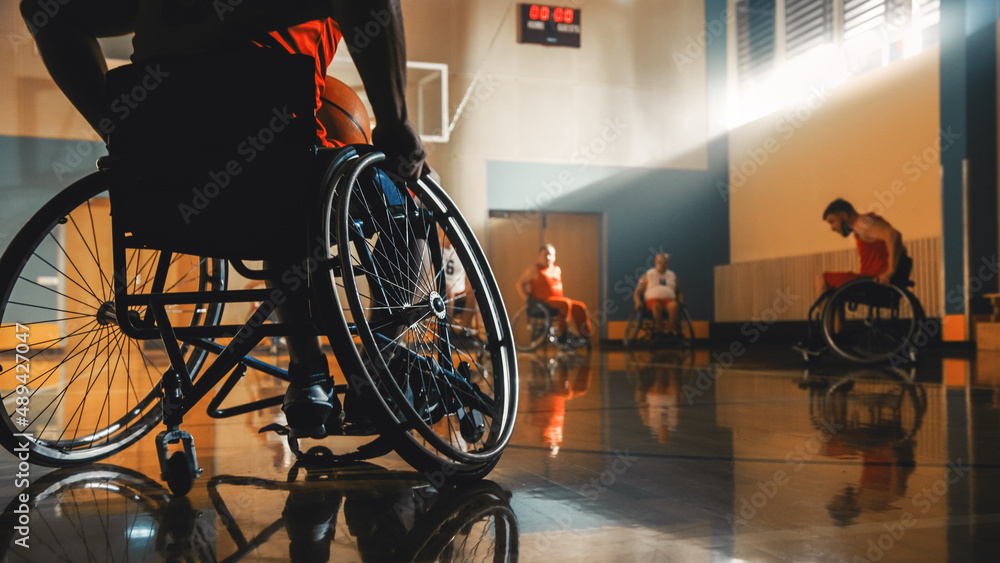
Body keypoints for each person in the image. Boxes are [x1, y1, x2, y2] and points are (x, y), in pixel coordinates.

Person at [20, 0, 428, 439]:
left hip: (166, 189)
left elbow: (42, 8)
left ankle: (308, 374)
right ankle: (379, 368)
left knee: (278, 202)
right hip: (279, 180)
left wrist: (118, 135)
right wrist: (394, 122)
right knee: (403, 205)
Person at [797, 198, 912, 354]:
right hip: (871, 281)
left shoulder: (861, 223)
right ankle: (834, 337)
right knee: (834, 288)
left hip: (872, 282)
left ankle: (824, 336)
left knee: (821, 279)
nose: (832, 228)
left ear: (844, 215)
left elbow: (894, 235)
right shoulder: (861, 227)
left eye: (832, 221)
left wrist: (890, 271)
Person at [516, 244, 592, 345]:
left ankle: (585, 337)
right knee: (565, 303)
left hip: (558, 301)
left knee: (580, 306)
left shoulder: (557, 269)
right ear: (539, 256)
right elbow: (519, 283)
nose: (548, 257)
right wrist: (526, 298)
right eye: (545, 255)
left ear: (555, 256)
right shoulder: (534, 270)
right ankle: (563, 335)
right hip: (543, 301)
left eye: (550, 255)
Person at [632, 253, 682, 337]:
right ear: (655, 262)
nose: (662, 264)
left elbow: (679, 292)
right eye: (660, 262)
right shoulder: (648, 274)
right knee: (656, 306)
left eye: (664, 262)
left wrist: (681, 300)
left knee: (674, 306)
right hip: (653, 301)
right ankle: (660, 331)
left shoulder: (673, 275)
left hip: (669, 301)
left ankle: (669, 332)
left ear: (668, 263)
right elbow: (638, 291)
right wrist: (637, 301)